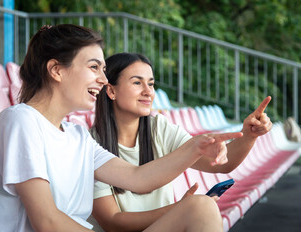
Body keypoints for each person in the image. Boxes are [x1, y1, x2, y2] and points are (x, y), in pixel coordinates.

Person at [0, 24, 242, 232]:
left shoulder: (76, 135)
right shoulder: (20, 120)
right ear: (56, 70)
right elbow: (47, 222)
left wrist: (197, 146)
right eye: (94, 67)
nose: (104, 80)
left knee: (201, 207)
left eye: (104, 69)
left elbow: (138, 178)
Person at [90, 52, 273, 232]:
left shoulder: (159, 128)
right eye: (137, 82)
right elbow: (113, 223)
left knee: (201, 206)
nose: (148, 92)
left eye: (151, 84)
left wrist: (249, 135)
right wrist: (178, 209)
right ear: (111, 90)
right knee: (200, 206)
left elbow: (221, 164)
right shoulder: (91, 145)